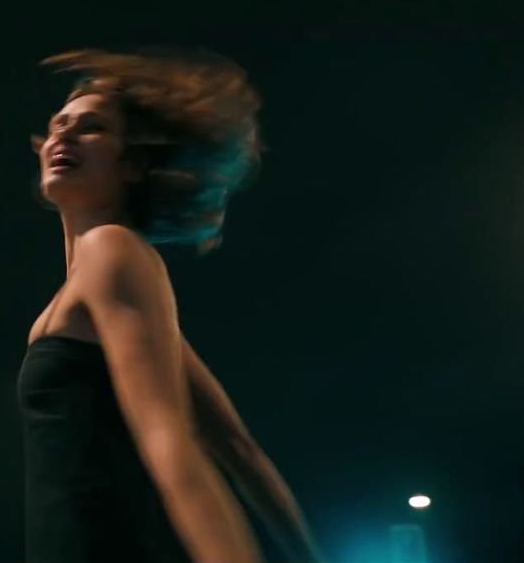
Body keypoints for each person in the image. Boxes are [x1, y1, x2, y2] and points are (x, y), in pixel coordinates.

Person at [18, 47, 326, 563]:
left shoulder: (112, 250)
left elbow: (169, 442)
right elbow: (235, 445)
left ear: (134, 163)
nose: (64, 136)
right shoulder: (105, 294)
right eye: (58, 124)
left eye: (91, 127)